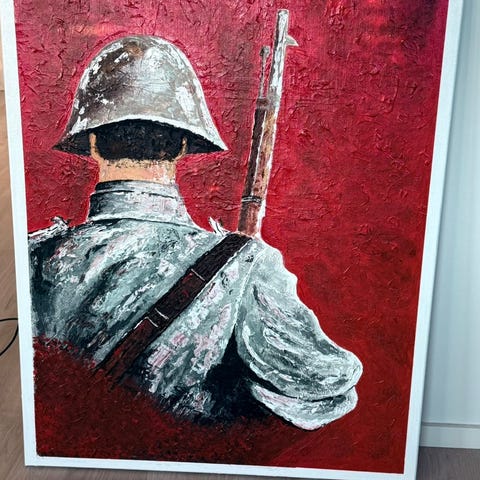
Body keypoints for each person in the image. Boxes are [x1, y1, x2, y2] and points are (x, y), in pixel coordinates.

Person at [29, 35, 362, 430]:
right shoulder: (247, 267)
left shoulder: (32, 256)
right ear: (185, 144)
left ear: (93, 142)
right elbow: (325, 386)